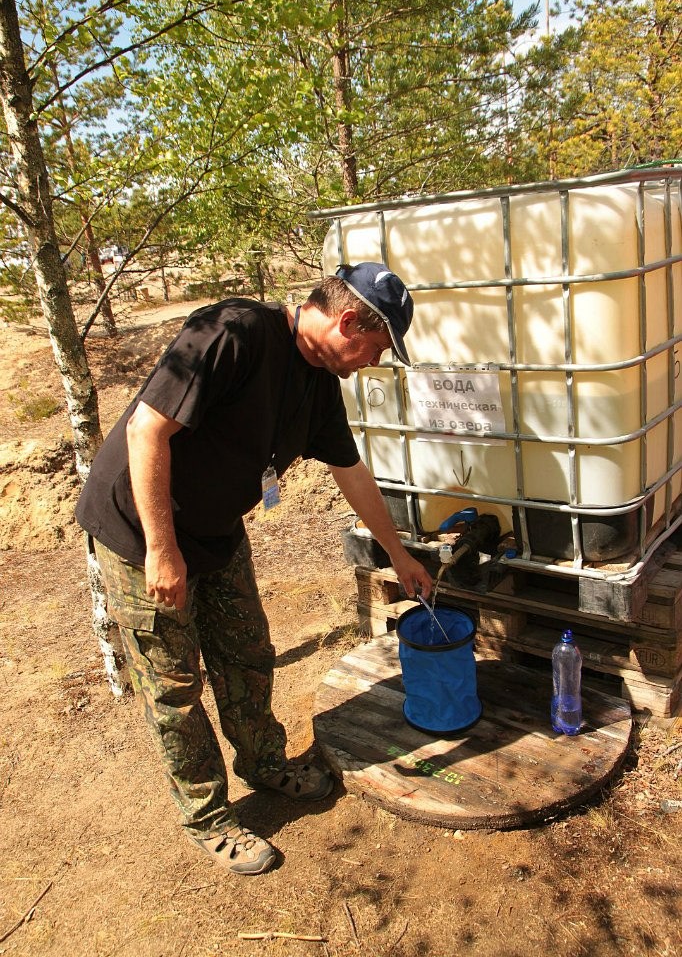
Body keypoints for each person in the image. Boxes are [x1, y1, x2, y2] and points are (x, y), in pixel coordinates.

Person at [76, 261, 432, 875]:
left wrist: (399, 556)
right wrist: (162, 549)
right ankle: (208, 817)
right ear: (348, 321)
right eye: (376, 347)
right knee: (175, 686)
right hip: (142, 530)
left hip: (216, 532)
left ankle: (264, 762)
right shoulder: (232, 332)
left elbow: (351, 473)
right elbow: (144, 431)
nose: (373, 363)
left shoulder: (319, 384)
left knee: (246, 651)